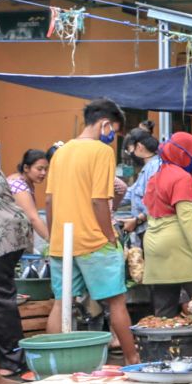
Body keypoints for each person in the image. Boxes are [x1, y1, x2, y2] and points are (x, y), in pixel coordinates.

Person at [44, 99, 139, 364]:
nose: (112, 138)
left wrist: (55, 237)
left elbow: (49, 201)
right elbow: (99, 201)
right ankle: (133, 359)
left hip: (62, 241)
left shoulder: (60, 152)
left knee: (61, 303)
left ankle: (54, 363)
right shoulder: (101, 152)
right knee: (116, 302)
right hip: (95, 241)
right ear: (105, 124)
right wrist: (110, 235)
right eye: (114, 131)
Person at [142, 132, 192, 318]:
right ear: (184, 155)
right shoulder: (181, 177)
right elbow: (187, 217)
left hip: (154, 244)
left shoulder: (156, 176)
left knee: (164, 311)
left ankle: (164, 346)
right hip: (179, 245)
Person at [0, 168, 33, 378]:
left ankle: (12, 360)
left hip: (0, 236)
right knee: (3, 295)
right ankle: (12, 357)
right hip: (14, 230)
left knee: (0, 299)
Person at [120, 124, 161, 238]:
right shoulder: (147, 167)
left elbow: (156, 201)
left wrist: (137, 220)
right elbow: (131, 193)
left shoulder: (155, 167)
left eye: (129, 150)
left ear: (139, 147)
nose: (130, 154)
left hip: (151, 229)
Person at [7, 149, 49, 243]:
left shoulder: (24, 182)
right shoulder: (18, 185)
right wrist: (54, 243)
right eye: (39, 169)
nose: (44, 173)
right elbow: (33, 218)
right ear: (26, 168)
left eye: (46, 169)